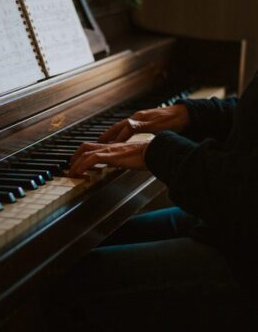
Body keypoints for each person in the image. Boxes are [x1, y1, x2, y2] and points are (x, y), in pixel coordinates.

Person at [44, 72, 258, 331]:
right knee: (93, 241)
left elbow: (245, 193)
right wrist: (189, 113)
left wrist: (155, 151)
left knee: (61, 280)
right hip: (233, 226)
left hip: (244, 265)